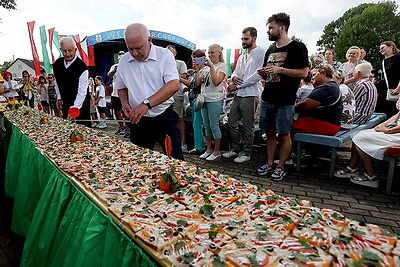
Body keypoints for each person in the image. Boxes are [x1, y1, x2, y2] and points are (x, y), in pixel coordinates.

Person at [114, 23, 183, 160]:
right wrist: (124, 103)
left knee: (176, 161)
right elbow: (121, 86)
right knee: (140, 163)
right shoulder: (124, 61)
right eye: (130, 48)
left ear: (149, 40)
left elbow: (174, 84)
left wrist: (146, 104)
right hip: (139, 122)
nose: (134, 53)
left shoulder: (165, 55)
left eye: (139, 48)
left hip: (164, 117)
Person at [256, 12, 309, 181]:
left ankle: (281, 166)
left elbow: (304, 72)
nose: (268, 31)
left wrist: (280, 70)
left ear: (282, 28)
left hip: (285, 100)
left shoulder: (297, 47)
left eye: (271, 28)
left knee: (284, 134)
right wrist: (263, 73)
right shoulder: (270, 50)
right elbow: (269, 75)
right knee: (269, 133)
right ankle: (270, 163)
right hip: (268, 98)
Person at [222, 27, 265, 163]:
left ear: (254, 38)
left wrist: (238, 85)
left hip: (251, 95)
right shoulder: (242, 55)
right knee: (231, 123)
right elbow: (235, 71)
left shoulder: (261, 52)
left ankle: (246, 152)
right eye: (242, 39)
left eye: (246, 39)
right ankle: (235, 150)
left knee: (248, 126)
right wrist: (234, 78)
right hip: (239, 94)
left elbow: (257, 75)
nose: (243, 41)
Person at [336, 105, 400, 188]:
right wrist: (382, 125)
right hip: (394, 129)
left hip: (396, 135)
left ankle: (371, 175)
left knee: (361, 138)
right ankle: (352, 167)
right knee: (358, 134)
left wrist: (387, 131)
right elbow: (398, 115)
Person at [194, 44, 228, 161]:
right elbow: (198, 83)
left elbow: (217, 81)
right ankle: (209, 149)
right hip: (204, 99)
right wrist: (198, 69)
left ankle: (217, 151)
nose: (210, 55)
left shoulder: (222, 66)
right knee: (206, 126)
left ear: (219, 53)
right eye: (208, 53)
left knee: (214, 126)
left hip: (215, 100)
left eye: (212, 52)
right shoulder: (205, 68)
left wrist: (212, 67)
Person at [292, 65, 343, 136]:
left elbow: (305, 105)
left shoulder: (327, 87)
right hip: (331, 125)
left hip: (324, 125)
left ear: (323, 73)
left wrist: (290, 108)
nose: (312, 78)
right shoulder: (332, 86)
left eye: (314, 75)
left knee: (282, 126)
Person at [53, 37, 91, 127]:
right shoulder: (57, 64)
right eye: (64, 51)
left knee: (83, 130)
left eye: (70, 50)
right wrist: (59, 97)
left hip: (81, 104)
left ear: (75, 49)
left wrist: (75, 109)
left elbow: (82, 91)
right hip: (66, 102)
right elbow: (57, 82)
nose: (67, 54)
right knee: (68, 129)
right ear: (60, 50)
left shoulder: (82, 67)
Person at [166, 45, 189, 153]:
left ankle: (183, 142)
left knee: (179, 118)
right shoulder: (162, 64)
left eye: (171, 52)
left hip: (177, 95)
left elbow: (183, 77)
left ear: (175, 54)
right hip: (165, 96)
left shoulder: (180, 63)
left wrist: (172, 71)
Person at [373, 41, 400, 118]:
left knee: (394, 113)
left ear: (391, 47)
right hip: (382, 93)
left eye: (382, 48)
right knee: (381, 113)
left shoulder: (398, 58)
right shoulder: (381, 62)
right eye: (380, 49)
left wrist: (398, 89)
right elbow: (375, 76)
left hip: (394, 90)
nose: (380, 50)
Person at [108, 51, 130, 137]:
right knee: (116, 111)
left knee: (126, 112)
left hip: (125, 93)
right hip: (115, 93)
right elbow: (109, 75)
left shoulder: (128, 66)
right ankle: (121, 126)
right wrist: (114, 71)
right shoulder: (114, 66)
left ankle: (128, 128)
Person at [188, 51, 206, 155]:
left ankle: (199, 147)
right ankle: (200, 145)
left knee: (197, 124)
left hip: (198, 101)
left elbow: (196, 84)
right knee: (197, 124)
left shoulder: (203, 70)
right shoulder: (198, 71)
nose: (194, 61)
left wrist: (180, 79)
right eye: (193, 59)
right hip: (194, 100)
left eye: (196, 59)